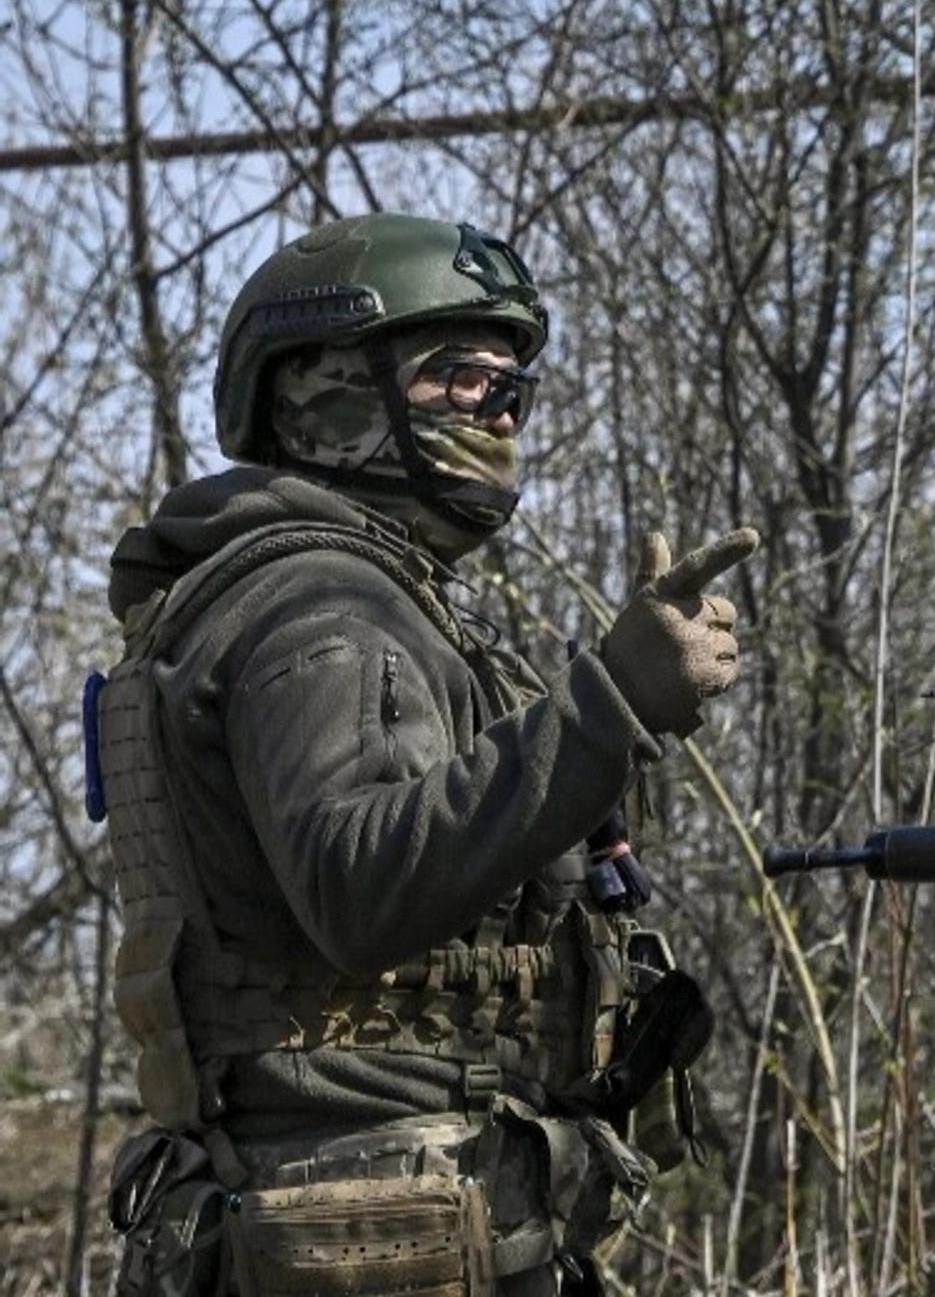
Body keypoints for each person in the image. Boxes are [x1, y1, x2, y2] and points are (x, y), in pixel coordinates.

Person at [89, 212, 759, 1296]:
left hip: (367, 1213)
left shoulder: (315, 592)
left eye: (514, 388)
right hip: (369, 1227)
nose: (500, 409)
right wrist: (611, 703)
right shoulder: (325, 608)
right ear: (324, 391)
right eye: (460, 376)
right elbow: (361, 888)